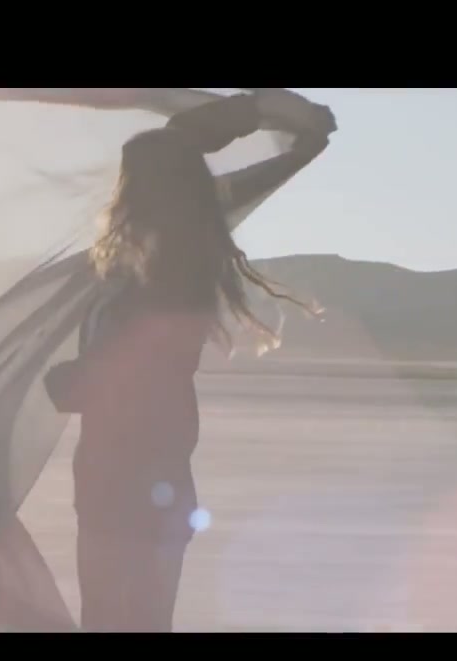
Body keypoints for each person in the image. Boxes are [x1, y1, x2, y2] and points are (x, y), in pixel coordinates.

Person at [43, 93, 333, 631]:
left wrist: (67, 380)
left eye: (131, 180)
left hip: (132, 490)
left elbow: (119, 381)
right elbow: (190, 145)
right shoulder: (147, 263)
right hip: (123, 486)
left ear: (148, 190)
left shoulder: (167, 273)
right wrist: (278, 122)